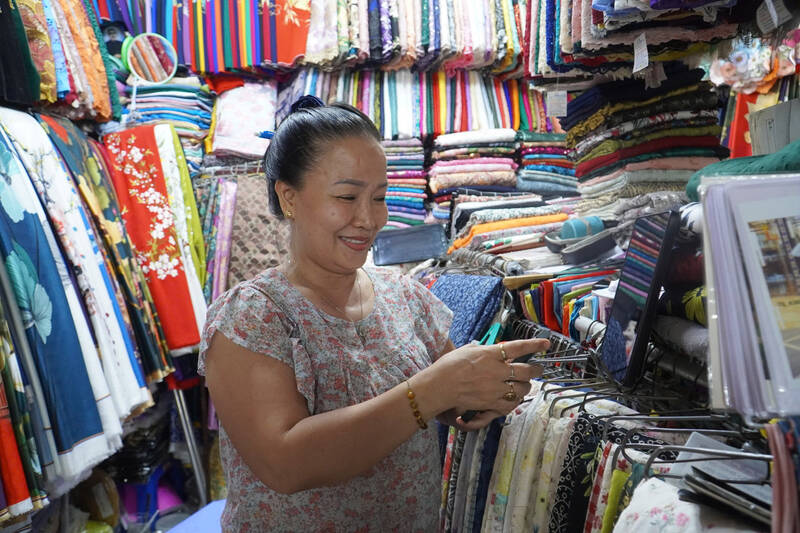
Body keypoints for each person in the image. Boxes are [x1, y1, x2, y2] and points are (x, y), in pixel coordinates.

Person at [200, 96, 548, 532]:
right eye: (347, 197)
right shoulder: (254, 316)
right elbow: (284, 464)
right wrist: (432, 391)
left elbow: (449, 399)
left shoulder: (402, 294)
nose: (368, 218)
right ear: (289, 198)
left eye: (379, 197)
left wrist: (485, 392)